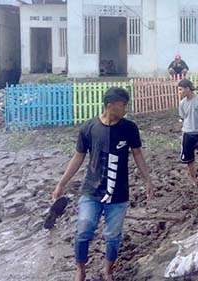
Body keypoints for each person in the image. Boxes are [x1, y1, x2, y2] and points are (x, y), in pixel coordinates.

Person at [51, 87, 155, 281]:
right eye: (123, 105)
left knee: (113, 236)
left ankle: (108, 271)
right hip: (91, 191)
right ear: (110, 105)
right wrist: (61, 183)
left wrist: (147, 179)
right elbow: (78, 157)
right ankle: (80, 269)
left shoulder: (129, 128)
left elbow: (138, 154)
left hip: (119, 194)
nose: (126, 109)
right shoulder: (89, 127)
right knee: (83, 229)